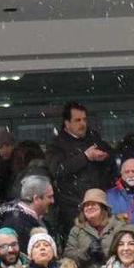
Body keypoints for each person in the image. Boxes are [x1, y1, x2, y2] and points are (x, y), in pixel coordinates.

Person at [45, 102, 114, 238]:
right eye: (77, 120)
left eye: (84, 119)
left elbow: (112, 160)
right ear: (67, 123)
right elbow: (57, 170)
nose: (82, 124)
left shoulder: (94, 139)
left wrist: (105, 157)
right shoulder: (57, 144)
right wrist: (85, 157)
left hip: (97, 206)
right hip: (71, 208)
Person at [0, 174, 54, 252]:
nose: (52, 201)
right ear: (36, 199)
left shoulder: (32, 219)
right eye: (49, 197)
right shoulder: (17, 224)